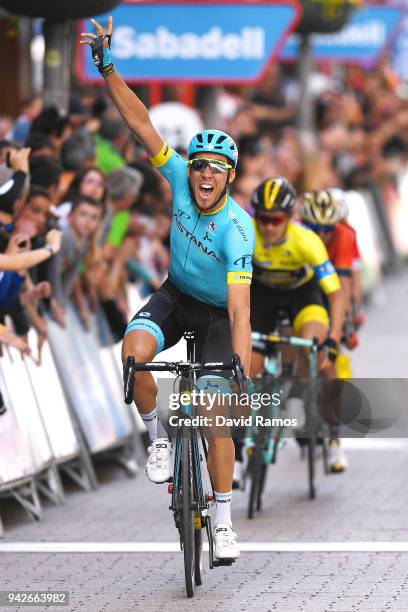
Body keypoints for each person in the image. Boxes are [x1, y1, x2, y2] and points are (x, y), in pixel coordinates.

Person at [81, 16, 255, 560]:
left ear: (229, 177)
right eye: (198, 165)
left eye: (215, 170)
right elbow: (140, 124)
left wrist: (241, 372)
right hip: (176, 296)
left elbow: (241, 311)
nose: (203, 176)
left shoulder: (238, 229)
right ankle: (158, 436)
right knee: (133, 354)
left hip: (220, 316)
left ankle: (223, 520)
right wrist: (108, 68)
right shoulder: (177, 176)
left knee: (211, 409)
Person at [248, 177, 347, 473]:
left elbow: (336, 294)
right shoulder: (245, 233)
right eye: (262, 219)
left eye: (275, 220)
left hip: (302, 297)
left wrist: (334, 338)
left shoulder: (306, 241)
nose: (267, 226)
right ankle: (242, 450)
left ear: (289, 218)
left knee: (316, 354)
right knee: (246, 368)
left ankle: (333, 439)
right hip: (263, 296)